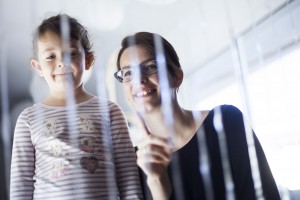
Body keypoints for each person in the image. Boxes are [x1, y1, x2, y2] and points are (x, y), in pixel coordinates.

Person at [114, 32, 281, 200]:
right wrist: (158, 184)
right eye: (128, 73)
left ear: (177, 77)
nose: (138, 79)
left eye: (150, 66)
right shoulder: (134, 164)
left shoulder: (225, 122)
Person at [10, 14, 143, 200]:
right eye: (50, 56)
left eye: (71, 53)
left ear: (88, 60)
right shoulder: (28, 118)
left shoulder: (110, 111)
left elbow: (128, 177)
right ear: (38, 67)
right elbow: (20, 185)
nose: (61, 62)